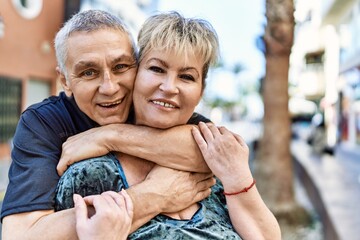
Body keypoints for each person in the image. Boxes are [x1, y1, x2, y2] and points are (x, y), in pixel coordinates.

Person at [55, 11, 281, 239]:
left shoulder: (216, 157)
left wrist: (237, 178)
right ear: (135, 73)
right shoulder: (89, 175)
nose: (169, 87)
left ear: (201, 91)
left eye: (187, 77)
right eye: (157, 69)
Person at [1, 10, 215, 239]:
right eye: (89, 72)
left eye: (121, 67)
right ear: (65, 80)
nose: (110, 87)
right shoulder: (44, 122)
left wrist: (109, 136)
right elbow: (21, 235)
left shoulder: (153, 104)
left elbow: (211, 152)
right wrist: (153, 196)